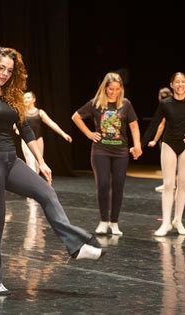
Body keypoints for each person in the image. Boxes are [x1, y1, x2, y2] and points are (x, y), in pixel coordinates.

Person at [0, 47, 104, 296]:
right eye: (1, 68)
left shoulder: (13, 95)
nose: (4, 73)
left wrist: (41, 162)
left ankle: (75, 246)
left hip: (10, 160)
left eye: (9, 70)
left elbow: (25, 129)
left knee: (46, 192)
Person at [71, 72, 142, 236]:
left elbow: (134, 126)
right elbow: (76, 117)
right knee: (103, 185)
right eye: (111, 89)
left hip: (121, 152)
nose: (114, 92)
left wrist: (137, 145)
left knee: (118, 186)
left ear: (121, 89)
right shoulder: (95, 104)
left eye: (117, 89)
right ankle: (103, 221)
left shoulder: (125, 104)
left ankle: (114, 222)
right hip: (100, 151)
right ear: (105, 88)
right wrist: (89, 134)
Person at [143, 72, 185, 236]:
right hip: (169, 144)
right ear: (172, 85)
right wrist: (141, 144)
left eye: (183, 82)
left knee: (183, 184)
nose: (180, 84)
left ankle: (178, 220)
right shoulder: (165, 104)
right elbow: (154, 124)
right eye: (176, 82)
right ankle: (166, 223)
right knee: (168, 184)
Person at [21, 91, 72, 173]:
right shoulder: (21, 113)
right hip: (26, 140)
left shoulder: (40, 112)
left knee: (38, 164)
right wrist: (16, 128)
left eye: (28, 97)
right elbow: (14, 125)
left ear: (34, 99)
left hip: (38, 140)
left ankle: (34, 183)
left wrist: (63, 134)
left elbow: (51, 123)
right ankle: (32, 183)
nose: (25, 99)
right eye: (24, 98)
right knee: (30, 163)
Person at [148, 87, 174, 192]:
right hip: (177, 137)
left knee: (166, 162)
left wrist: (154, 140)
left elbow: (161, 125)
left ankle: (167, 185)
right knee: (172, 163)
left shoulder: (165, 107)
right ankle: (172, 184)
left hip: (167, 138)